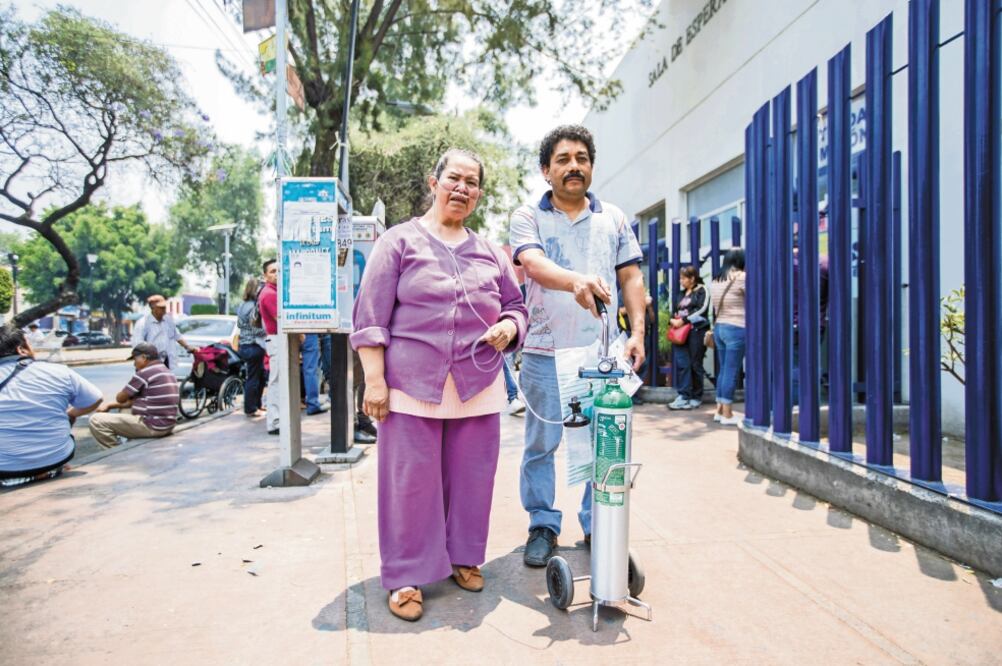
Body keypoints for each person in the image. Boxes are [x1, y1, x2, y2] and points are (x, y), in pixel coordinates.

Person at [351, 148, 528, 622]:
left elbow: (517, 306)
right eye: (454, 178)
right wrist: (374, 383)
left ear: (479, 195)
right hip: (410, 384)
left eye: (472, 183)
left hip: (478, 384)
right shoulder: (398, 242)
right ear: (434, 183)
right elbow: (370, 318)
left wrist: (510, 328)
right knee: (410, 482)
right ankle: (406, 575)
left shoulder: (491, 252)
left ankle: (463, 557)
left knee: (472, 479)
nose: (462, 188)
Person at [509, 124, 646, 567]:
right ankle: (543, 525)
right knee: (541, 445)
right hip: (543, 353)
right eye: (563, 159)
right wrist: (578, 282)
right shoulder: (527, 217)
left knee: (603, 442)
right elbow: (533, 264)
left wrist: (638, 333)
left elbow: (631, 278)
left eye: (582, 158)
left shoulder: (615, 218)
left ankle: (597, 524)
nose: (574, 166)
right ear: (546, 170)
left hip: (602, 355)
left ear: (591, 166)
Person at [0, 325, 102, 486]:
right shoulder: (58, 371)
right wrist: (72, 414)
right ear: (22, 350)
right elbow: (95, 399)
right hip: (55, 461)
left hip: (4, 471)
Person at [88, 342, 179, 448]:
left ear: (144, 357)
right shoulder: (166, 371)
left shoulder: (145, 373)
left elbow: (120, 398)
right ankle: (127, 444)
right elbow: (133, 402)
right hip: (167, 424)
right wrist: (109, 405)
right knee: (124, 411)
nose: (134, 364)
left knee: (96, 420)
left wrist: (136, 377)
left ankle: (115, 452)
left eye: (135, 360)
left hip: (153, 426)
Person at [709, 248, 746, 425]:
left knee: (724, 370)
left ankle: (719, 410)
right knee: (731, 371)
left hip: (719, 328)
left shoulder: (716, 279)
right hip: (737, 327)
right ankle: (728, 414)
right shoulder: (741, 278)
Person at [668, 265, 710, 410]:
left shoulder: (702, 290)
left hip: (696, 331)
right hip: (680, 333)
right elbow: (674, 311)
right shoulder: (681, 294)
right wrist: (672, 320)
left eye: (683, 278)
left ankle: (696, 396)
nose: (680, 281)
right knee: (683, 364)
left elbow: (702, 309)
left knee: (695, 364)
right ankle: (684, 395)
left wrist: (684, 321)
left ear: (692, 278)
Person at [132, 295, 195, 370]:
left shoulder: (168, 321)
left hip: (166, 360)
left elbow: (177, 335)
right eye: (161, 308)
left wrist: (187, 346)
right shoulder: (143, 323)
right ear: (153, 307)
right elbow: (138, 344)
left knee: (166, 380)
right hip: (150, 362)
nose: (164, 310)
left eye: (165, 308)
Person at [236, 277, 267, 417]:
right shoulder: (253, 307)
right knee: (254, 378)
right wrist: (269, 329)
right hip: (254, 345)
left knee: (259, 376)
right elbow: (256, 329)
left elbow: (240, 325)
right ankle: (251, 408)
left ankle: (257, 405)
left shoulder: (242, 305)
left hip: (245, 345)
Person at [257, 259, 281, 435]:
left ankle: (277, 419)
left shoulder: (274, 292)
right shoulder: (269, 294)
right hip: (277, 340)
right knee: (277, 382)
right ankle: (275, 420)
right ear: (265, 275)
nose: (276, 274)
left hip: (276, 340)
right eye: (272, 271)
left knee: (278, 381)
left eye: (278, 271)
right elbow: (279, 319)